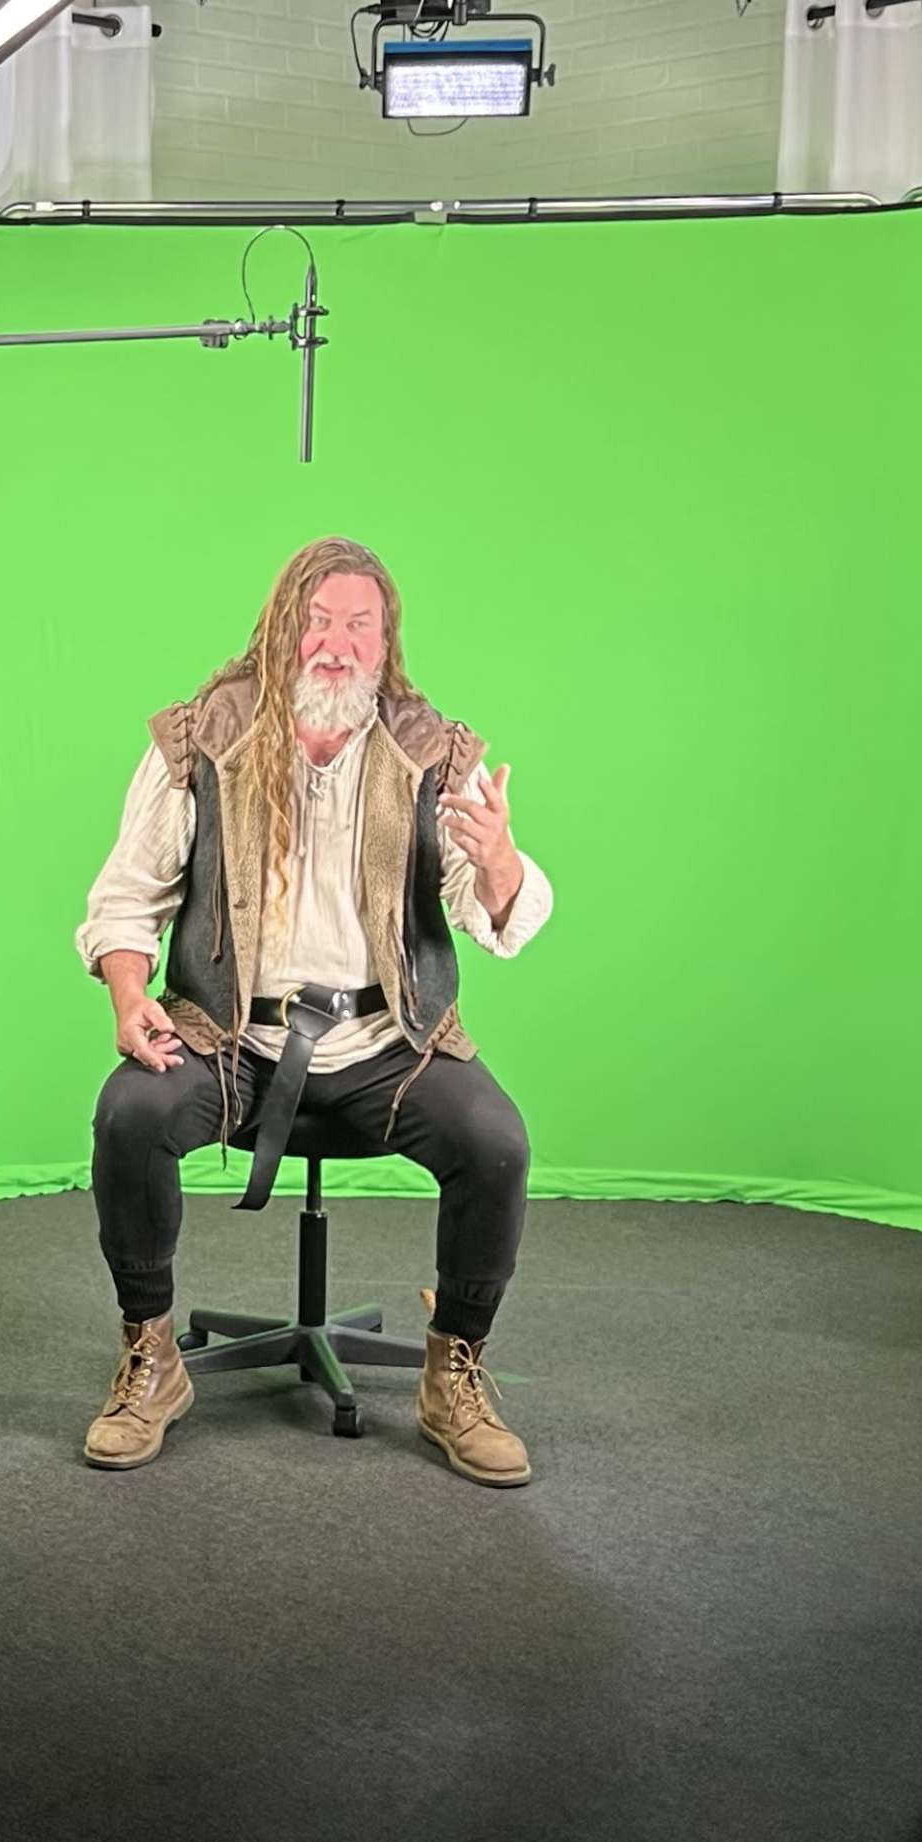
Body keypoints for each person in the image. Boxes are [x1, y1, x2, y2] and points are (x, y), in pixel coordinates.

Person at [75, 536, 552, 1483]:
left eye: (359, 627)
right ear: (283, 629)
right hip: (230, 1037)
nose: (336, 645)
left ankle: (452, 1371)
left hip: (390, 1041)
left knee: (496, 1143)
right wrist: (131, 998)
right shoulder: (202, 737)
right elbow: (125, 898)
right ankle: (152, 1356)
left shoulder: (431, 751)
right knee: (129, 1116)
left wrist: (498, 855)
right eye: (318, 622)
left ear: (386, 644)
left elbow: (493, 911)